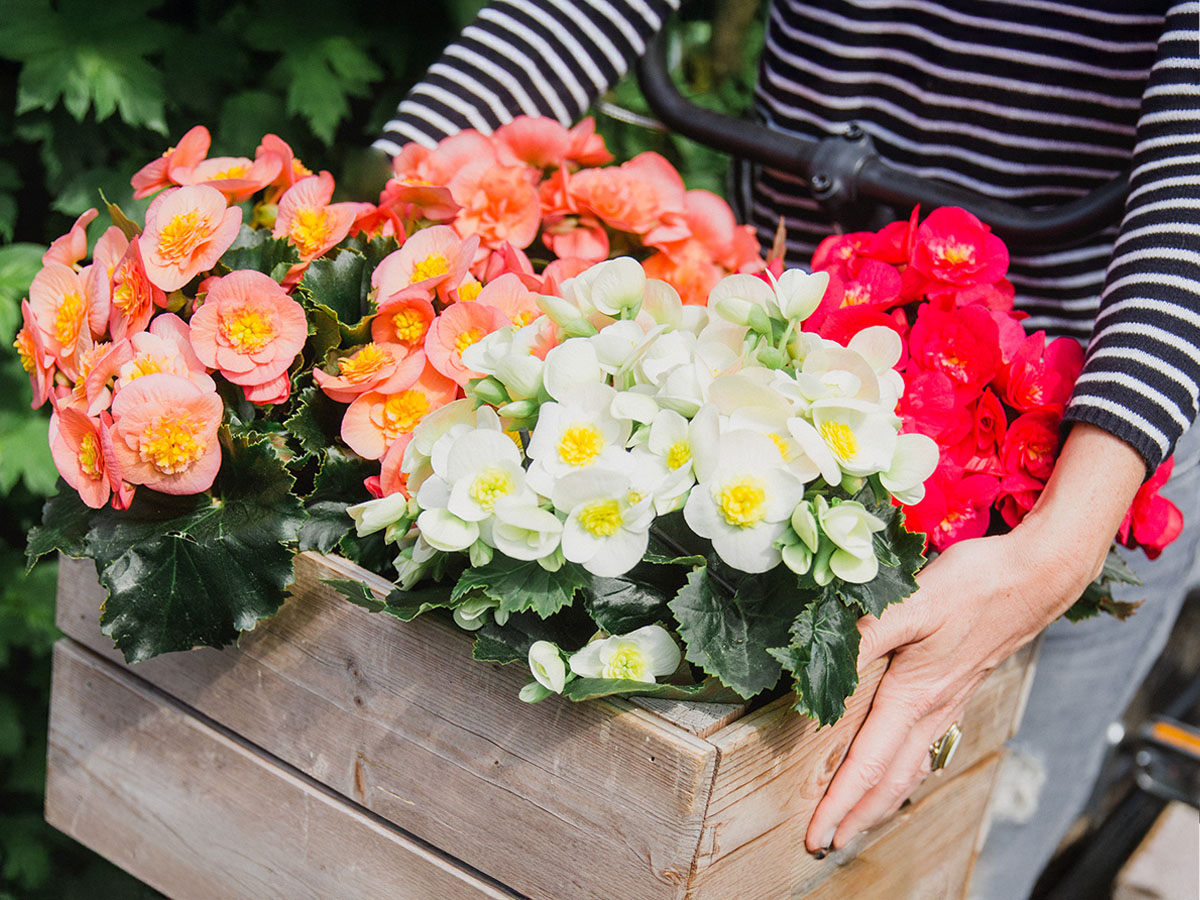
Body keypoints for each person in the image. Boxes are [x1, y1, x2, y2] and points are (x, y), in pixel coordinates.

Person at [372, 2, 1200, 897]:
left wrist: (1056, 553)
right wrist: (405, 221)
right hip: (792, 311)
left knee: (974, 828)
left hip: (1092, 414)